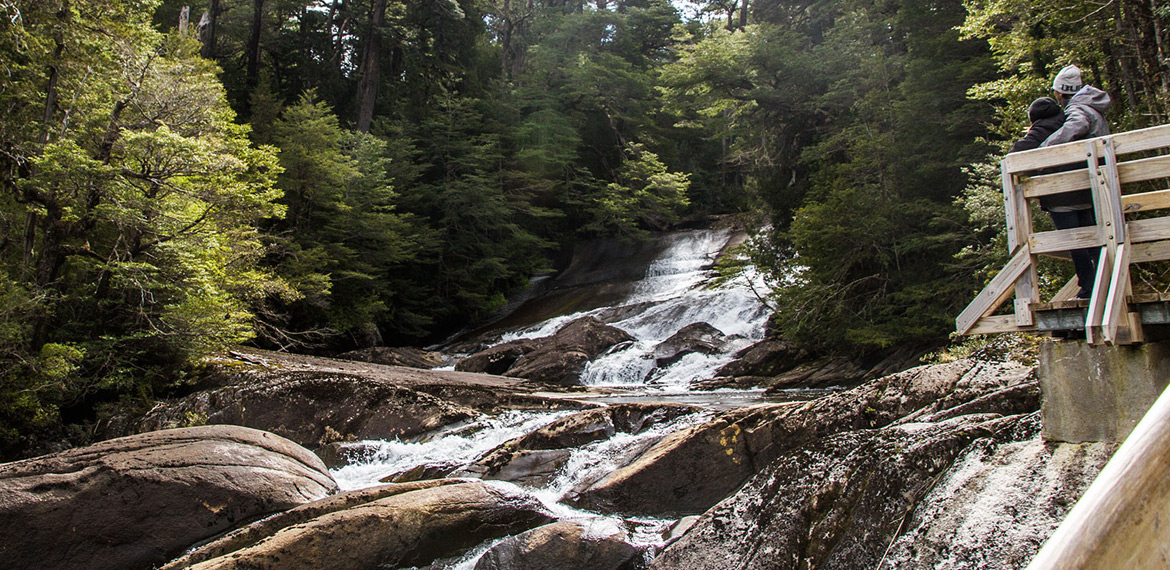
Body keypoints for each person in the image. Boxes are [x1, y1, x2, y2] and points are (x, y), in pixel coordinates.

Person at [1040, 64, 1113, 299]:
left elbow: (1076, 126)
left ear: (1061, 93)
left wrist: (1043, 149)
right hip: (1092, 181)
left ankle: (1091, 288)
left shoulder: (1079, 109)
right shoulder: (1093, 106)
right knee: (1092, 238)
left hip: (1080, 182)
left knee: (1076, 240)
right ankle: (1104, 283)